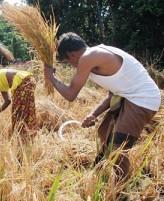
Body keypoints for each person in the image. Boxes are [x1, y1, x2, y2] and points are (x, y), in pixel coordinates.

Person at [44, 32, 161, 180]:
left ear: (70, 54)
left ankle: (121, 190)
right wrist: (94, 114)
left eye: (67, 61)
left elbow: (70, 95)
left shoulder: (89, 57)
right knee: (103, 131)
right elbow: (112, 94)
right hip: (128, 96)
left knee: (118, 147)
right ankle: (102, 170)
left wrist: (51, 77)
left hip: (142, 99)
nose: (71, 65)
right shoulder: (96, 54)